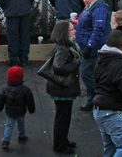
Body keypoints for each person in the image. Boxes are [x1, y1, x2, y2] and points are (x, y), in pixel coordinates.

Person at [46, 20, 81, 154]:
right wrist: (75, 63)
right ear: (65, 34)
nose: (75, 31)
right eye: (72, 29)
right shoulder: (63, 48)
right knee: (63, 118)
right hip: (62, 90)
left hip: (61, 89)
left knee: (63, 117)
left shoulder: (63, 46)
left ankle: (63, 141)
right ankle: (60, 145)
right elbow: (59, 66)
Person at [75, 0, 112, 112]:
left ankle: (95, 98)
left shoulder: (99, 9)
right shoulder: (91, 7)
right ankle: (96, 98)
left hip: (93, 48)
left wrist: (89, 46)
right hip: (88, 45)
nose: (85, 1)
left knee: (86, 73)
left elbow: (98, 29)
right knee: (91, 73)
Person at [0, 66, 35, 150]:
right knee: (21, 124)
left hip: (9, 112)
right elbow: (30, 101)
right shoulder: (25, 90)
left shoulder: (4, 89)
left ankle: (6, 141)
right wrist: (31, 110)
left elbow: (0, 100)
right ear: (21, 77)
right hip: (21, 111)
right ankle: (22, 136)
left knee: (9, 125)